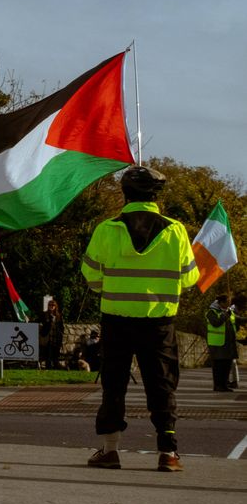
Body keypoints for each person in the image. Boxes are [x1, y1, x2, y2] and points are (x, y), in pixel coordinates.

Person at [81, 165, 199, 472]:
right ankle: (168, 452)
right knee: (162, 386)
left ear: (125, 194)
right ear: (156, 196)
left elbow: (91, 276)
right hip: (159, 323)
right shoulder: (175, 230)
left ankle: (110, 450)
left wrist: (115, 286)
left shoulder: (107, 229)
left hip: (116, 320)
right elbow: (189, 278)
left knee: (113, 385)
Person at [204, 293, 237, 392]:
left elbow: (237, 321)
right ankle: (218, 385)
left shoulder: (228, 312)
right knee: (219, 366)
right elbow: (216, 323)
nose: (229, 304)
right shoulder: (211, 312)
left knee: (227, 365)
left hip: (228, 344)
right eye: (227, 302)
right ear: (221, 302)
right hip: (217, 344)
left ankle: (224, 385)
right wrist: (226, 314)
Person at [40, 298, 65, 369]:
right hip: (47, 336)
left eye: (53, 305)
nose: (51, 306)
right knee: (48, 352)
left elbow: (61, 326)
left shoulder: (59, 315)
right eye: (50, 305)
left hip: (56, 336)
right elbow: (41, 322)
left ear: (55, 306)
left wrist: (61, 334)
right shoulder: (45, 314)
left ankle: (55, 366)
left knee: (56, 353)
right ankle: (48, 367)